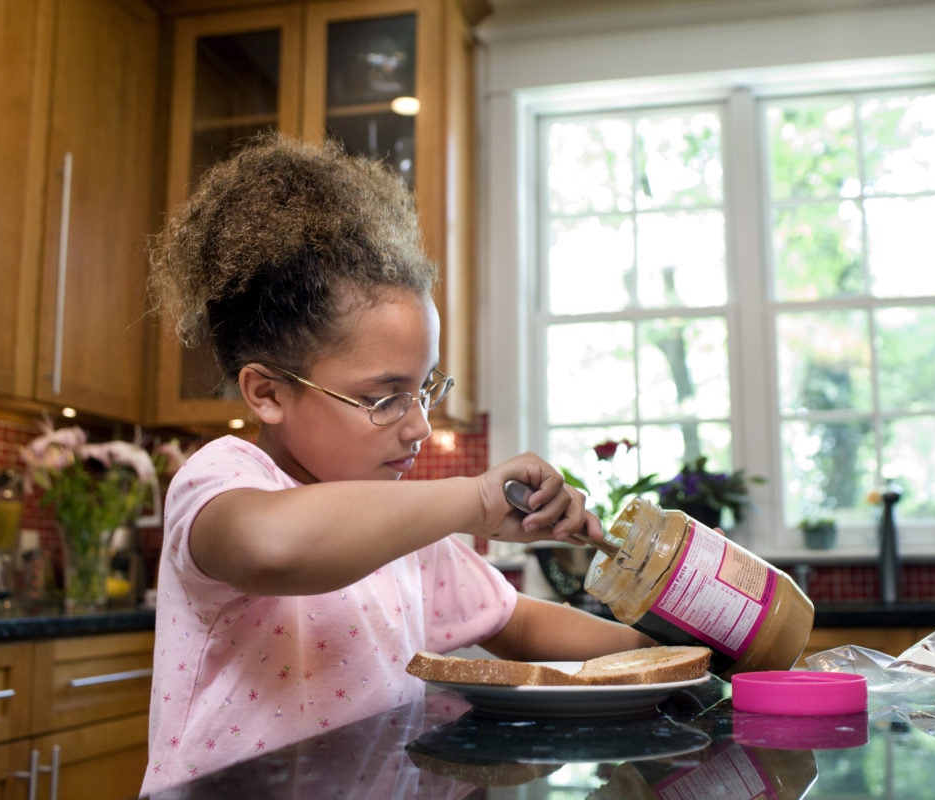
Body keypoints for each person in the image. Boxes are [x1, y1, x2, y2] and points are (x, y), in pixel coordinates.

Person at [140, 133, 652, 793]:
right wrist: (471, 499)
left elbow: (517, 620)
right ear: (267, 392)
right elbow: (273, 543)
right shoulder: (221, 480)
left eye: (426, 388)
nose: (418, 425)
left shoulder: (401, 532)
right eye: (383, 398)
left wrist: (669, 656)